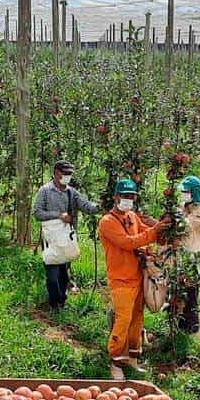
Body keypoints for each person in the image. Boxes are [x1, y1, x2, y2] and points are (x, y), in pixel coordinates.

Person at [100, 179, 171, 380]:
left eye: (131, 196)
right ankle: (115, 360)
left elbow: (142, 234)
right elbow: (127, 242)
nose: (128, 199)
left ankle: (132, 357)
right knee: (123, 319)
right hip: (121, 279)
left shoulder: (131, 216)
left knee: (137, 318)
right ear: (116, 197)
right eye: (124, 196)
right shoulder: (107, 222)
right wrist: (154, 231)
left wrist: (159, 229)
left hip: (137, 276)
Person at [33, 161, 100, 312]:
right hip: (50, 239)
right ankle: (54, 303)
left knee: (63, 273)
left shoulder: (72, 193)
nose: (68, 177)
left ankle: (61, 300)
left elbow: (86, 206)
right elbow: (37, 212)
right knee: (52, 273)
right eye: (65, 173)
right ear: (56, 173)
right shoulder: (45, 191)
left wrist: (101, 206)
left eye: (70, 174)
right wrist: (58, 216)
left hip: (67, 239)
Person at [171, 175, 200, 333]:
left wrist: (176, 216)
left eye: (186, 192)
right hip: (181, 254)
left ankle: (192, 326)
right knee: (178, 289)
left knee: (191, 290)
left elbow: (185, 227)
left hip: (194, 255)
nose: (183, 194)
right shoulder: (182, 207)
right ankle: (179, 325)